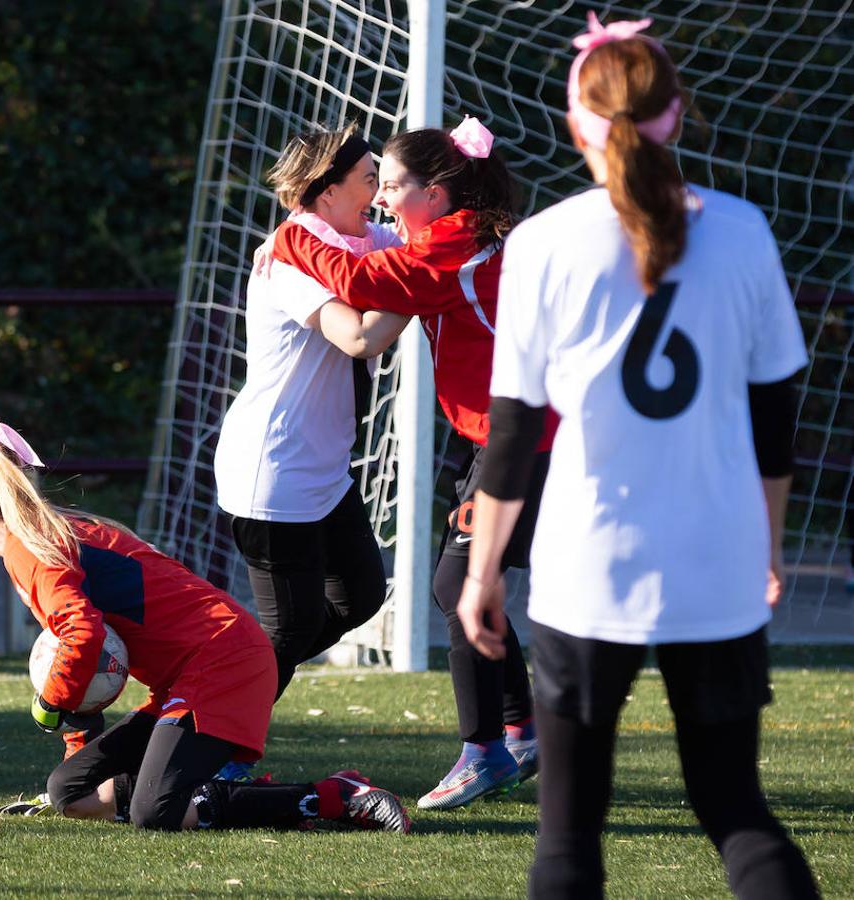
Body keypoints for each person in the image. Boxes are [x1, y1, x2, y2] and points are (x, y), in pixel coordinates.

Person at [456, 13, 819, 898]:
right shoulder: (743, 232)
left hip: (589, 566)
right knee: (737, 812)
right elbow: (777, 427)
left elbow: (512, 435)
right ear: (680, 115)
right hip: (718, 562)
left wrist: (483, 573)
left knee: (569, 838)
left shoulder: (542, 243)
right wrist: (766, 550)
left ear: (578, 123)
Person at [270, 118, 559, 810]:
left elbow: (360, 278)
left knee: (458, 588)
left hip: (519, 437)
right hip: (496, 434)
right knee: (464, 588)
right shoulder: (454, 234)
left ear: (435, 193)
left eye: (393, 186)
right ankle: (521, 729)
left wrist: (291, 238)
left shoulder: (457, 244)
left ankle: (484, 750)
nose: (382, 201)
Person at [0, 413, 410, 833]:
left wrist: (50, 700)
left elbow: (83, 634)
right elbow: (85, 650)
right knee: (70, 791)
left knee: (155, 812)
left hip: (224, 662)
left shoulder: (31, 550)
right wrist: (76, 738)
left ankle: (335, 796)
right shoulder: (44, 538)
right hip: (190, 675)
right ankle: (198, 792)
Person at [214, 123, 409, 720]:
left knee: (359, 594)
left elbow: (413, 246)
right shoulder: (291, 257)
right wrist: (420, 286)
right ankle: (199, 726)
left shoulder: (358, 237)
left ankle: (223, 690)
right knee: (290, 630)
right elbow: (358, 337)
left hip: (322, 472)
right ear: (327, 194)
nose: (379, 194)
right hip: (273, 471)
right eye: (369, 180)